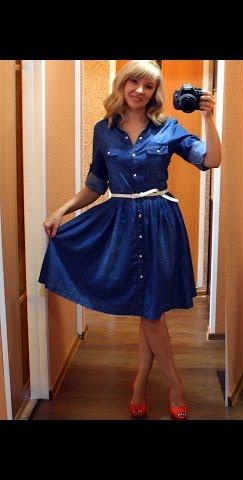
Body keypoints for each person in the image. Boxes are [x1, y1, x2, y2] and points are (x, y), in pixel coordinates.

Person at [39, 60, 222, 420]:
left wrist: (208, 118)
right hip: (122, 223)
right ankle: (149, 382)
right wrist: (62, 210)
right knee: (148, 309)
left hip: (160, 224)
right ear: (122, 84)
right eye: (134, 82)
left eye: (148, 86)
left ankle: (163, 384)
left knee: (151, 311)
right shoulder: (103, 131)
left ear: (155, 92)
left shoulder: (168, 128)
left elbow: (212, 160)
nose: (140, 90)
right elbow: (96, 185)